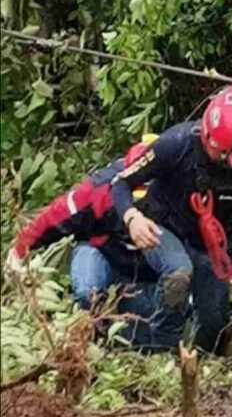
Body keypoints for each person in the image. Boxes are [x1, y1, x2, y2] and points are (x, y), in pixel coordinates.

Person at [111, 85, 232, 353]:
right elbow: (119, 183)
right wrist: (132, 218)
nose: (220, 159)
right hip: (163, 226)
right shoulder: (176, 143)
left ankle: (196, 363)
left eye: (227, 155)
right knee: (179, 272)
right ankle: (158, 353)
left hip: (209, 239)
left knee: (214, 322)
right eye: (215, 150)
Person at [6, 136, 162, 345]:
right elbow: (54, 216)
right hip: (102, 254)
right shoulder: (99, 189)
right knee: (87, 288)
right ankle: (89, 330)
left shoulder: (182, 191)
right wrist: (19, 250)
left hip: (146, 272)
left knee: (144, 337)